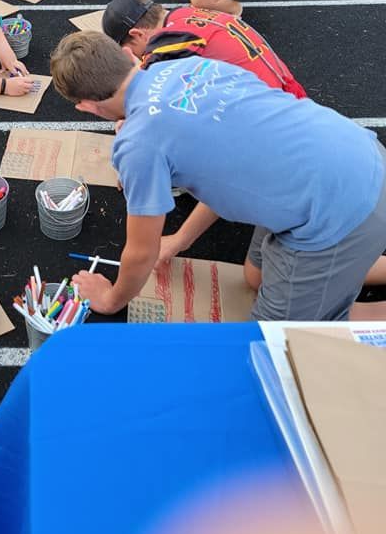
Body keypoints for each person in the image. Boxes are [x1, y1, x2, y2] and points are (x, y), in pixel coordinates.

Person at [49, 30, 386, 322]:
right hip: (358, 153)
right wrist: (181, 240)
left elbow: (141, 252)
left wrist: (110, 299)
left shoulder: (138, 143)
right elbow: (222, 176)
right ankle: (345, 272)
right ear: (126, 55)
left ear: (87, 107)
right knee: (257, 277)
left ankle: (347, 301)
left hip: (340, 211)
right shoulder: (186, 64)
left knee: (273, 335)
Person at [102, 0, 306, 96]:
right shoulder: (185, 13)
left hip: (269, 118)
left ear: (137, 34)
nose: (139, 58)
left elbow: (148, 96)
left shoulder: (170, 40)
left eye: (132, 52)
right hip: (287, 92)